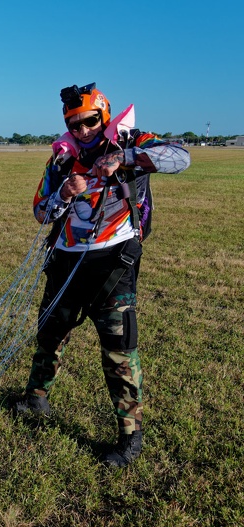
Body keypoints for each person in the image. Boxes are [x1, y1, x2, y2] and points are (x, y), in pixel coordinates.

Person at [14, 82, 190, 467]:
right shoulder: (62, 161)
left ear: (104, 116)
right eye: (74, 125)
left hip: (113, 263)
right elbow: (41, 212)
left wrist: (124, 158)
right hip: (65, 261)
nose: (83, 131)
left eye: (90, 121)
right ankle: (36, 398)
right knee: (50, 333)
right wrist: (63, 194)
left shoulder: (133, 141)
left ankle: (130, 437)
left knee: (119, 350)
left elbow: (181, 158)